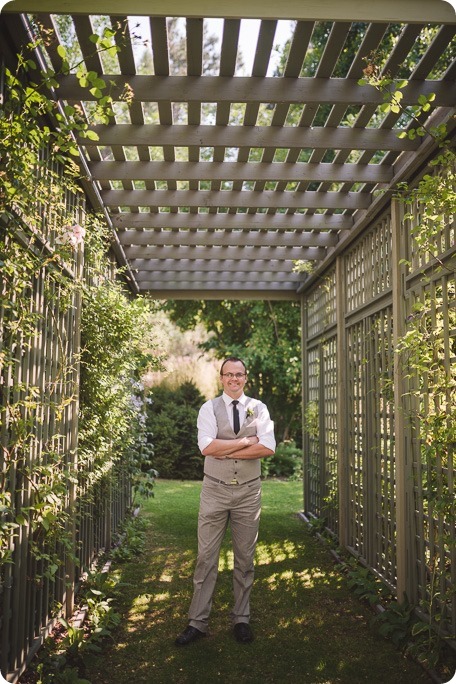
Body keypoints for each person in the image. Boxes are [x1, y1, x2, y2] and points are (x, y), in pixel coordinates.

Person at [175, 356, 275, 646]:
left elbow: (268, 447)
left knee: (245, 558)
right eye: (229, 374)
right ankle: (197, 622)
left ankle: (241, 619)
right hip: (215, 491)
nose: (234, 379)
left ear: (246, 378)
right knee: (206, 558)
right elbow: (206, 446)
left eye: (239, 374)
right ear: (222, 378)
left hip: (248, 491)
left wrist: (225, 450)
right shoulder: (209, 408)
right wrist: (245, 442)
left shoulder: (259, 408)